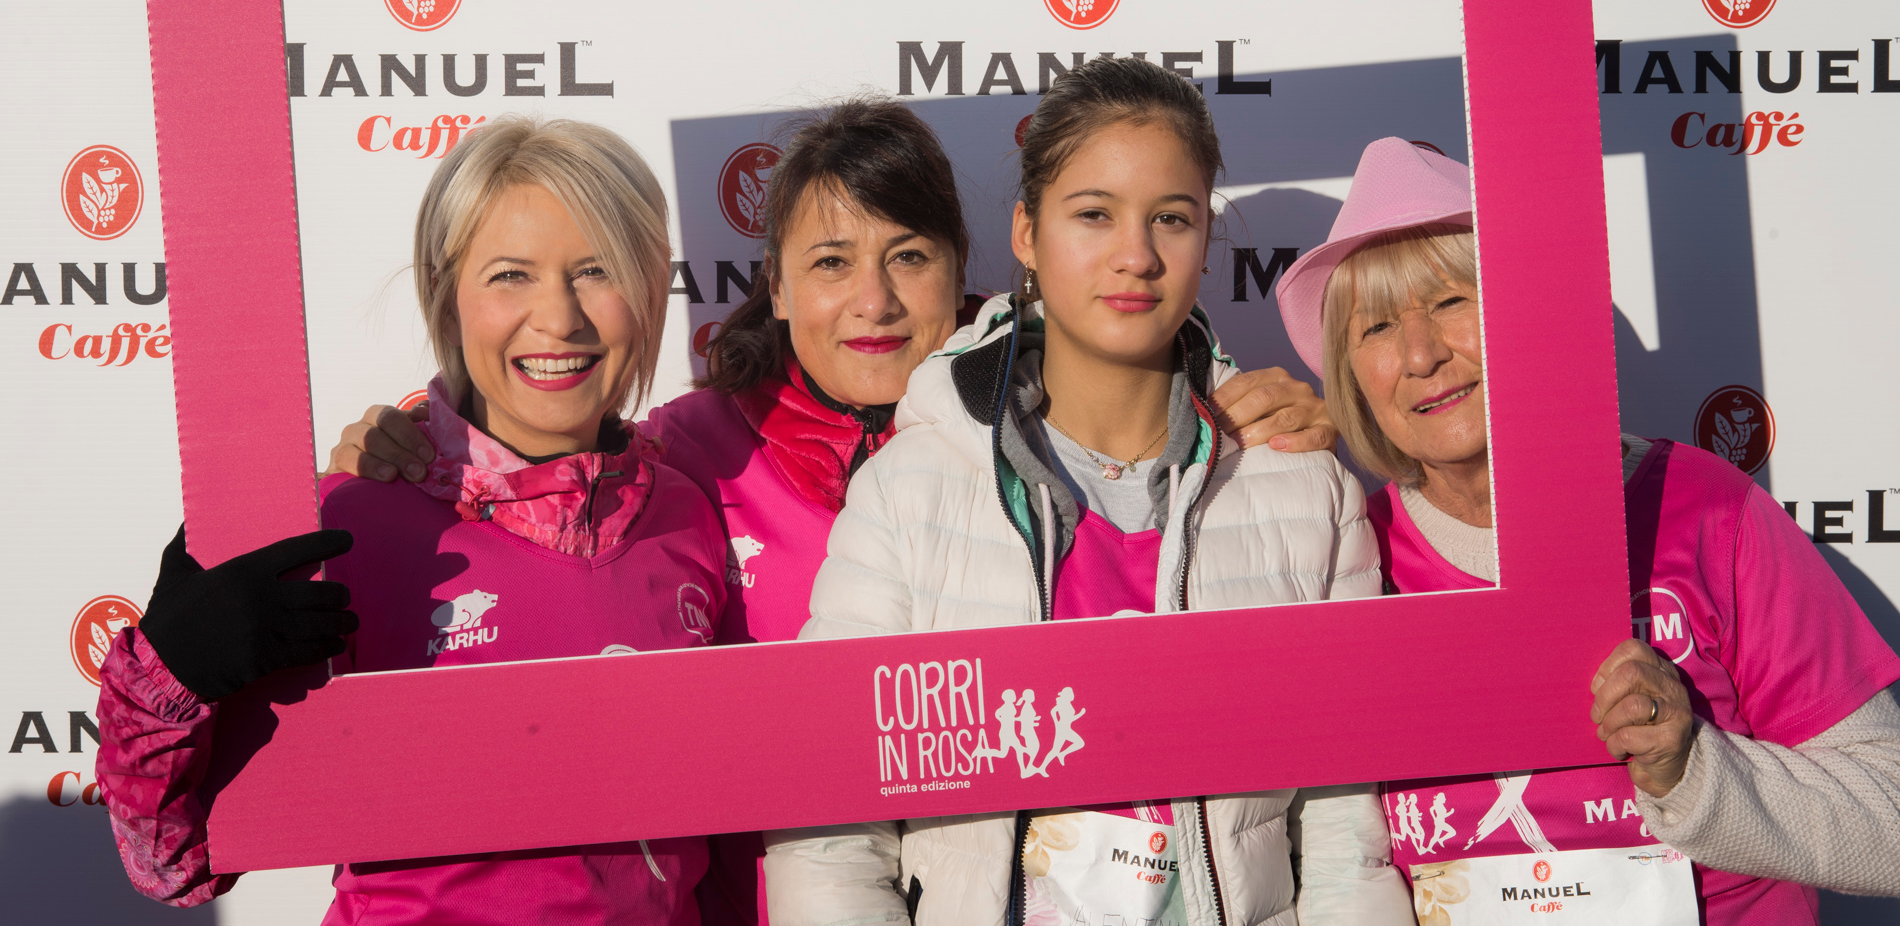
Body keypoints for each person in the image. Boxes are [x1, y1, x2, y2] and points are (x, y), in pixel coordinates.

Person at [330, 97, 1341, 923]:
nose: (874, 300)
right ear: (771, 286)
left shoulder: (1033, 447)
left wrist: (1260, 409)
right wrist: (414, 430)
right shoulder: (686, 458)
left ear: (961, 272)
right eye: (829, 262)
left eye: (907, 256)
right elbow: (537, 473)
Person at [763, 59, 1410, 926]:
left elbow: (1345, 838)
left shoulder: (1304, 487)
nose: (1135, 256)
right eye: (1094, 214)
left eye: (1171, 219)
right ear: (1027, 233)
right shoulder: (906, 492)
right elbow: (833, 826)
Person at [96, 116, 729, 922]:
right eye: (510, 275)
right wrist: (168, 676)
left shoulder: (685, 514)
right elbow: (172, 859)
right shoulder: (350, 525)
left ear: (646, 289)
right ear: (447, 293)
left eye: (596, 269)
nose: (560, 317)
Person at [1272, 136, 1900, 925]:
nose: (1422, 353)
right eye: (1376, 327)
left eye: (1452, 299)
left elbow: (1892, 817)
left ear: (1529, 306)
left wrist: (1692, 770)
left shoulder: (1701, 508)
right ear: (1349, 368)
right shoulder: (1349, 559)